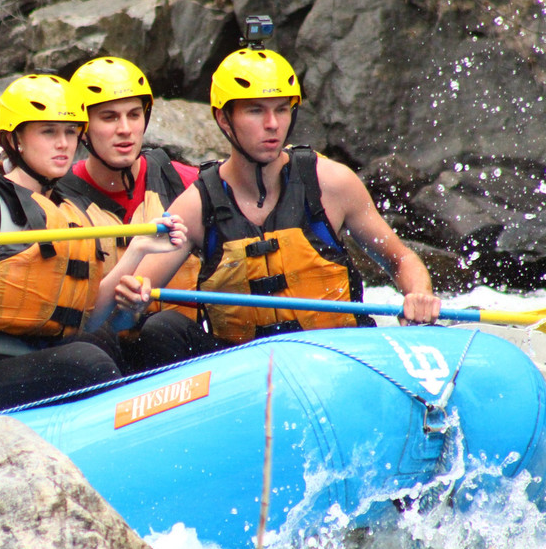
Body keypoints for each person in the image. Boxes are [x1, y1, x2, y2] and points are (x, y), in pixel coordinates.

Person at [0, 74, 186, 419]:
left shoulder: (68, 211)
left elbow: (88, 317)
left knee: (96, 341)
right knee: (85, 362)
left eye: (70, 132)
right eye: (48, 132)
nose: (63, 144)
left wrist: (138, 250)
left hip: (27, 364)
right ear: (16, 140)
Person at [114, 44, 441, 350]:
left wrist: (419, 295)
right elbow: (129, 305)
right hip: (244, 371)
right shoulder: (197, 206)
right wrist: (133, 301)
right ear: (223, 119)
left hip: (339, 357)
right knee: (163, 328)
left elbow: (402, 260)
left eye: (282, 110)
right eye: (255, 111)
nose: (272, 125)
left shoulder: (333, 183)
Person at [58, 56, 208, 371]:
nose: (125, 130)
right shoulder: (57, 198)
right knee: (93, 342)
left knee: (163, 327)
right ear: (82, 127)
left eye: (134, 115)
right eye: (109, 117)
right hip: (105, 350)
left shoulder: (185, 181)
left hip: (177, 344)